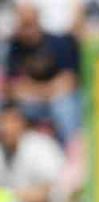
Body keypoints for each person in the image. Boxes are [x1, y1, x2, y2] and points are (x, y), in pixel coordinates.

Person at [4, 2, 81, 144]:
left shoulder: (59, 43)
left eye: (29, 24)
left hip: (59, 101)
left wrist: (35, 90)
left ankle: (73, 150)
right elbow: (14, 89)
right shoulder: (15, 48)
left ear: (38, 20)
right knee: (9, 111)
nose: (27, 30)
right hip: (32, 104)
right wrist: (49, 90)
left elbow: (69, 82)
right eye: (23, 25)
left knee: (64, 107)